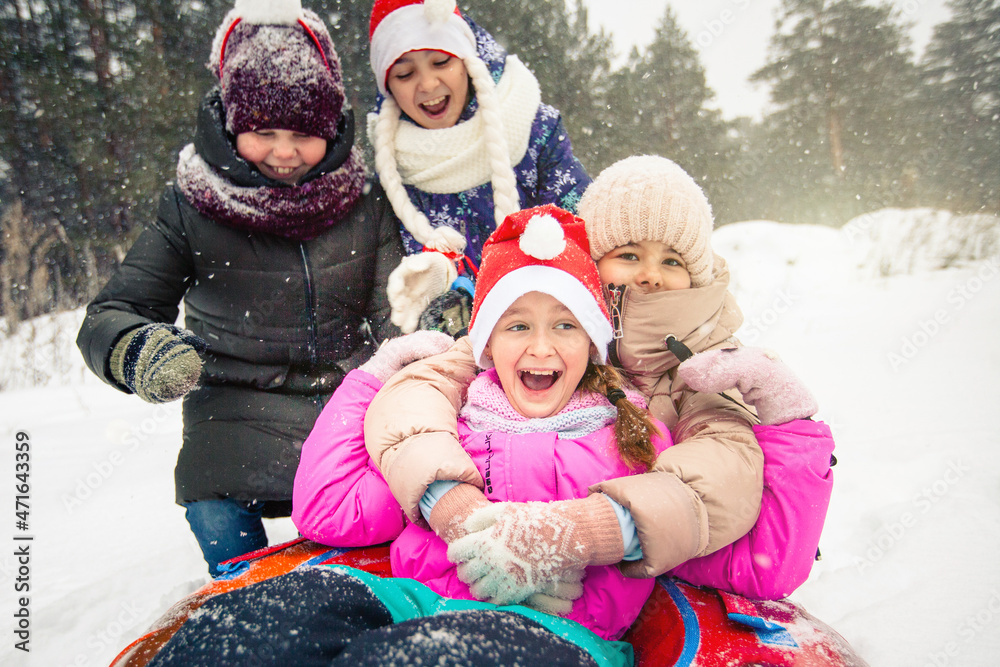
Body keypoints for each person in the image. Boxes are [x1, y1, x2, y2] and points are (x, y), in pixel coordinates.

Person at [363, 155, 836, 600]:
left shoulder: (705, 369)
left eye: (672, 260)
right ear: (592, 261)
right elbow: (418, 397)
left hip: (608, 591)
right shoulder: (535, 331)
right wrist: (451, 503)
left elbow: (737, 504)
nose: (650, 275)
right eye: (629, 254)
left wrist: (584, 531)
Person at [75, 0, 402, 577]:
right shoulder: (191, 207)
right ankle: (239, 591)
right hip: (232, 404)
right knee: (217, 507)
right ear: (231, 126)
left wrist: (424, 349)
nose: (284, 152)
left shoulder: (365, 202)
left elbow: (394, 313)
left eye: (304, 134)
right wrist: (138, 349)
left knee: (372, 526)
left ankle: (352, 588)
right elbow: (115, 311)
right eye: (263, 132)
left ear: (332, 128)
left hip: (346, 399)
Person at [366, 0, 592, 334]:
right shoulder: (390, 171)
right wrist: (442, 290)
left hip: (544, 335)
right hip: (446, 351)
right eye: (405, 74)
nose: (427, 84)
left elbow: (587, 231)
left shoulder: (533, 132)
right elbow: (389, 301)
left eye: (441, 62)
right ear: (389, 87)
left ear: (468, 62)